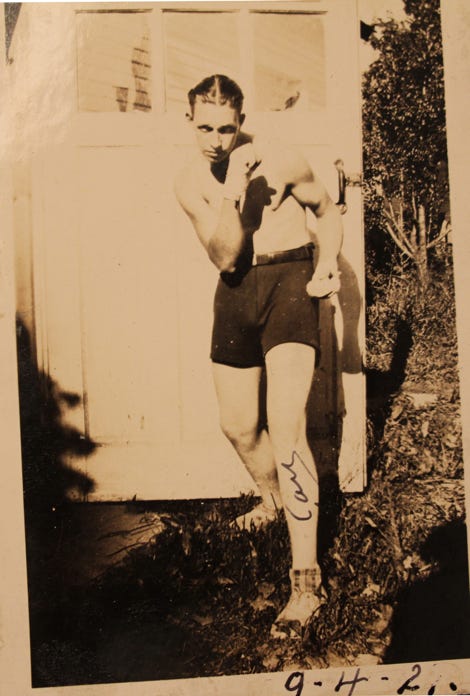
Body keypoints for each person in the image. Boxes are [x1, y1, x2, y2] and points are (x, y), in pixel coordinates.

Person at [174, 75, 343, 640]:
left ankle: (306, 582)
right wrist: (233, 191)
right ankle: (274, 502)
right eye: (205, 127)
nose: (217, 140)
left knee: (286, 427)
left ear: (241, 121)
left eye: (227, 128)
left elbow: (328, 207)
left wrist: (328, 263)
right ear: (190, 121)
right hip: (237, 288)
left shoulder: (283, 158)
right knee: (239, 426)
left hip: (290, 280)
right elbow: (225, 255)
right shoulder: (190, 180)